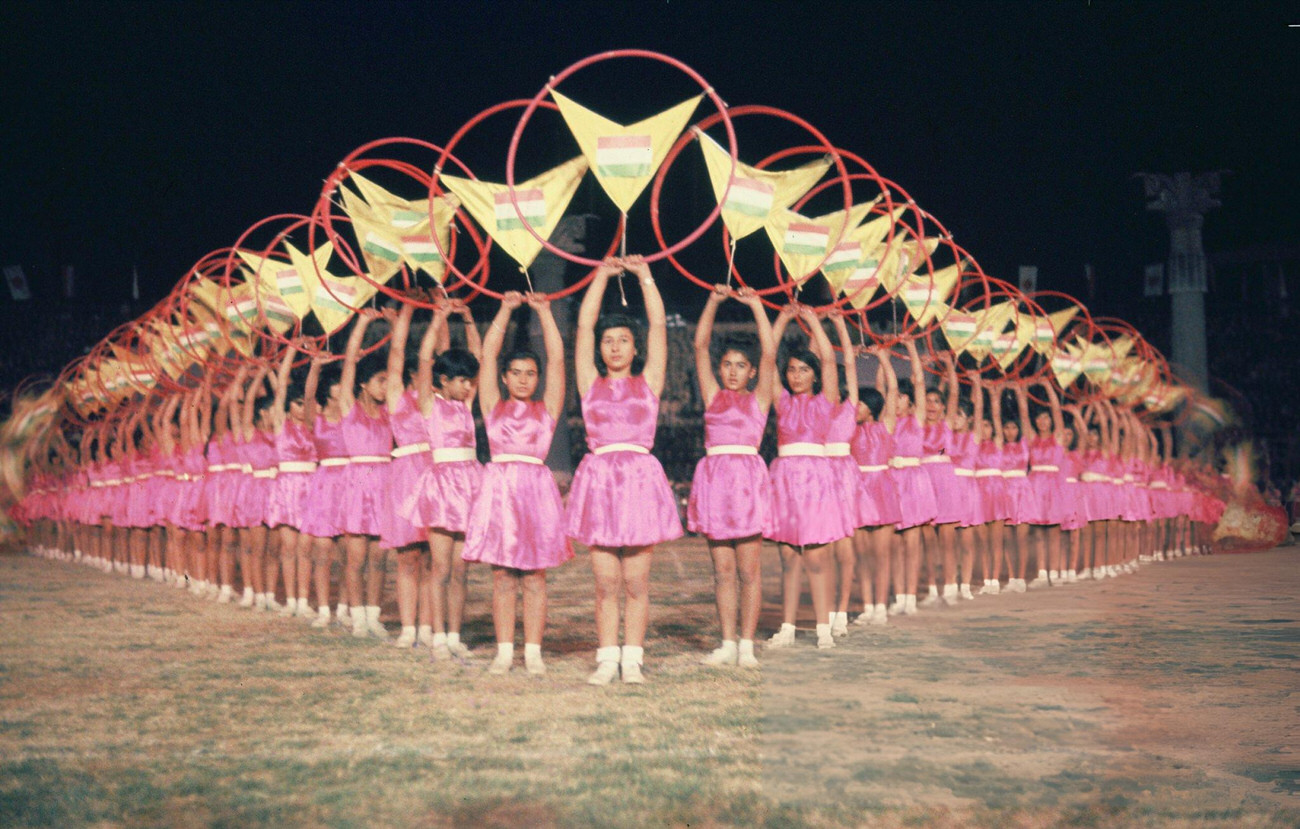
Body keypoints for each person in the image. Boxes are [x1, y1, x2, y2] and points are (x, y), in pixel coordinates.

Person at [567, 256, 682, 685]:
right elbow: (582, 327)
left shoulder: (649, 380)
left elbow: (657, 327)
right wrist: (599, 278)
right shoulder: (588, 382)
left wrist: (645, 277)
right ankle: (606, 658)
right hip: (599, 483)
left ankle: (632, 659)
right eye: (608, 341)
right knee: (604, 583)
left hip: (637, 481)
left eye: (622, 341)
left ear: (635, 349)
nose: (614, 347)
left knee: (636, 581)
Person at [464, 291, 571, 676]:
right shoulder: (493, 405)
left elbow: (558, 359)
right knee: (503, 575)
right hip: (500, 491)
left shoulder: (548, 409)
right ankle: (505, 651)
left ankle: (534, 652)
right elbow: (487, 356)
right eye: (517, 373)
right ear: (505, 378)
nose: (524, 379)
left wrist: (544, 313)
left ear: (538, 379)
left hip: (535, 492)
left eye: (530, 374)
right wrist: (505, 310)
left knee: (535, 576)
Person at [688, 284, 775, 668]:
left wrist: (757, 306)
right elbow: (699, 347)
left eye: (741, 365)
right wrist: (712, 301)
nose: (733, 371)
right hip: (715, 483)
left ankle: (746, 644)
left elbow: (770, 352)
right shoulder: (712, 395)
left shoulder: (759, 398)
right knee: (722, 571)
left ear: (752, 371)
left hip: (747, 484)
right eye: (728, 365)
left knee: (748, 571)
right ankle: (726, 642)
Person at [404, 298, 483, 660]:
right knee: (440, 567)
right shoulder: (429, 404)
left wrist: (467, 318)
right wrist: (437, 318)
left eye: (470, 381)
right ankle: (437, 636)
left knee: (461, 570)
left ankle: (454, 634)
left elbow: (478, 356)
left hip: (469, 485)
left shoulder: (467, 406)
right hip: (440, 488)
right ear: (444, 380)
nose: (467, 386)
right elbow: (424, 360)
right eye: (461, 380)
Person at [765, 302, 843, 649]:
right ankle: (787, 627)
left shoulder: (826, 400)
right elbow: (768, 360)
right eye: (792, 370)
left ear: (814, 375)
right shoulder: (781, 401)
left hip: (815, 479)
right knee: (788, 558)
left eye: (803, 370)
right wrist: (781, 319)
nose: (796, 375)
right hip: (784, 479)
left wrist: (812, 320)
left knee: (815, 557)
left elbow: (828, 360)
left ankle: (823, 628)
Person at [886, 338, 938, 616]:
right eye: (893, 396)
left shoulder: (916, 418)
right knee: (895, 545)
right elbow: (886, 383)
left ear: (910, 401)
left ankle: (910, 597)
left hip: (915, 482)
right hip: (892, 480)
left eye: (901, 397)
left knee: (912, 543)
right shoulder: (887, 419)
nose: (896, 401)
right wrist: (883, 356)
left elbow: (919, 381)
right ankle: (898, 596)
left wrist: (909, 348)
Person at [850, 345, 901, 625]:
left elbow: (891, 391)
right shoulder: (849, 428)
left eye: (859, 403)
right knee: (862, 556)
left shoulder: (886, 425)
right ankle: (867, 606)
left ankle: (880, 606)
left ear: (871, 407)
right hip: (859, 489)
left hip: (881, 489)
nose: (853, 407)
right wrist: (852, 358)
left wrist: (883, 358)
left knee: (881, 555)